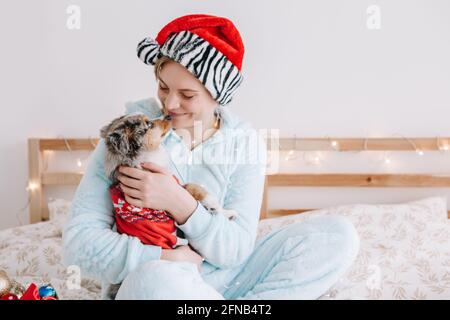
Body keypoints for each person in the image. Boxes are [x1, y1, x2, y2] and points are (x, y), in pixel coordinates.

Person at [62, 13, 360, 300]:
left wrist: (180, 203)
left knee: (338, 235)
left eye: (187, 95)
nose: (170, 103)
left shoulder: (244, 144)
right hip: (154, 278)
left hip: (230, 282)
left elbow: (236, 251)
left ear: (218, 94)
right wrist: (166, 257)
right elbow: (78, 245)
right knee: (156, 281)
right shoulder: (128, 137)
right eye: (163, 88)